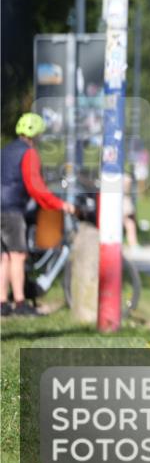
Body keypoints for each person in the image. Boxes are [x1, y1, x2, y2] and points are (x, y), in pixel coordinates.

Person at [1, 113, 75, 317]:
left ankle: (2, 303)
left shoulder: (6, 150)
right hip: (11, 209)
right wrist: (59, 204)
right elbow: (36, 187)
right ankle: (20, 303)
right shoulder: (29, 153)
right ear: (36, 134)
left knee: (4, 258)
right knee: (17, 256)